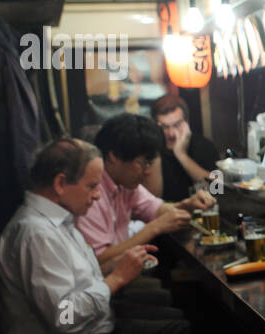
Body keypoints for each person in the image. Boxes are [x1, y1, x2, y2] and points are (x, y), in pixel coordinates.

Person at [0, 138, 202, 334]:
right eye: (92, 186)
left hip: (90, 333)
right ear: (59, 184)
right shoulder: (36, 233)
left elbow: (81, 279)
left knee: (186, 328)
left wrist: (124, 264)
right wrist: (116, 279)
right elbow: (63, 317)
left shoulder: (57, 220)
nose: (96, 195)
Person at [76, 113, 214, 266]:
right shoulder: (92, 194)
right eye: (143, 163)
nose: (147, 171)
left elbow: (157, 209)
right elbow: (100, 260)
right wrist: (155, 227)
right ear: (113, 156)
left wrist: (188, 204)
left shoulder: (126, 185)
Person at [145, 94, 218, 202]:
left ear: (187, 122)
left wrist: (181, 154)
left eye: (177, 125)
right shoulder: (152, 151)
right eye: (165, 127)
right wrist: (156, 148)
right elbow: (151, 199)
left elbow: (217, 189)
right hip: (168, 215)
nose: (171, 134)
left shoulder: (205, 145)